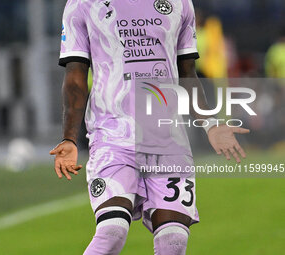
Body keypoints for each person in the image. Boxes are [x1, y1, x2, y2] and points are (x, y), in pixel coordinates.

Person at [50, 0, 249, 254]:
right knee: (112, 230)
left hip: (167, 140)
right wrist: (69, 138)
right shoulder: (83, 4)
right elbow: (75, 75)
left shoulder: (179, 3)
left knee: (173, 242)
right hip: (112, 135)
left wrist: (209, 123)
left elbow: (187, 73)